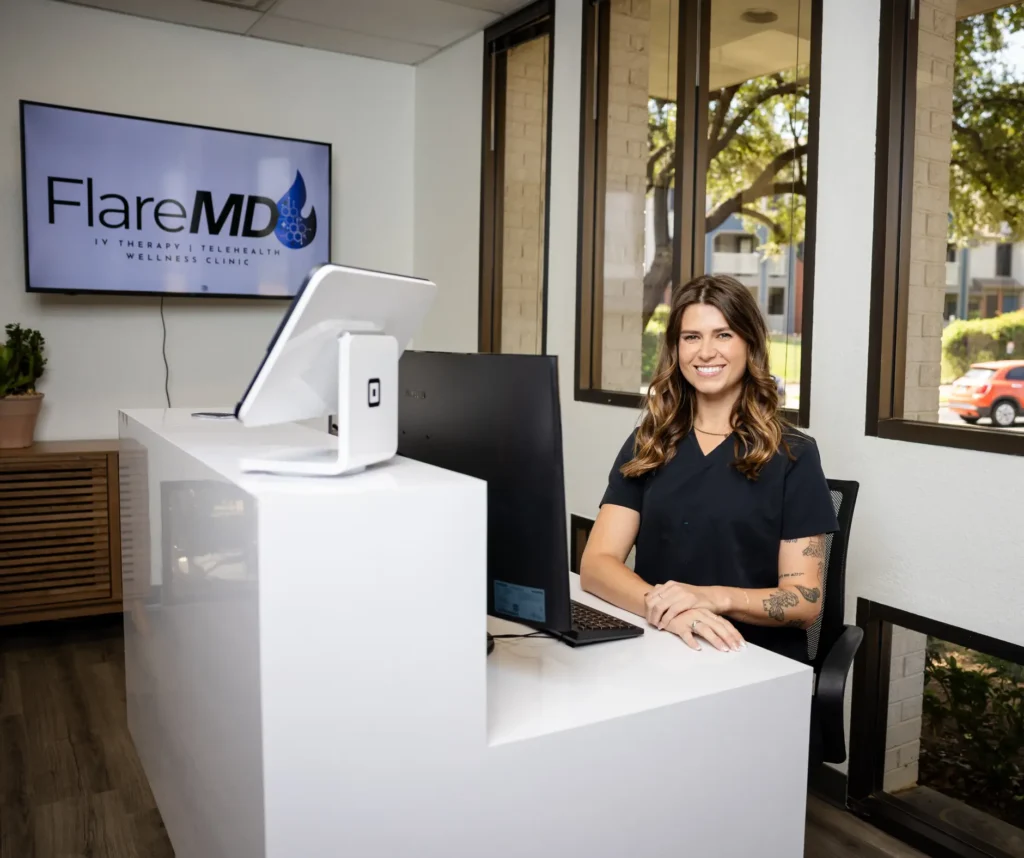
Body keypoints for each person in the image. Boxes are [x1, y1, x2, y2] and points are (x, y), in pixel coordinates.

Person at [580, 274, 839, 664]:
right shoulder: (649, 443)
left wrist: (711, 598)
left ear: (749, 343)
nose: (705, 352)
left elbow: (804, 601)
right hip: (663, 643)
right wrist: (671, 610)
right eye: (691, 337)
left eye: (723, 335)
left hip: (751, 657)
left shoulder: (793, 454)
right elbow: (596, 565)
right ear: (675, 349)